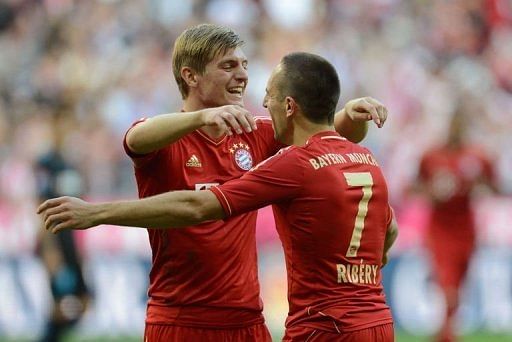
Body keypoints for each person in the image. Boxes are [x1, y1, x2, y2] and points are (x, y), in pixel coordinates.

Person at [39, 51, 398, 341]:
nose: (244, 77)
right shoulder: (365, 159)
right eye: (229, 66)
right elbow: (136, 139)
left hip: (272, 322)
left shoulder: (269, 144)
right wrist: (200, 119)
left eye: (244, 66)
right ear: (191, 75)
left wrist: (97, 214)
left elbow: (199, 205)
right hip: (181, 319)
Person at [415, 105, 499, 342]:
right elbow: (414, 187)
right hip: (439, 229)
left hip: (465, 228)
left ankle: (444, 333)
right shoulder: (431, 156)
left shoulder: (477, 157)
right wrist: (434, 191)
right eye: (453, 126)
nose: (456, 130)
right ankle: (448, 336)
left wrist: (480, 182)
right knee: (446, 284)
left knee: (458, 287)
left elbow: (495, 186)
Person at [34, 111, 89, 342]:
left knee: (84, 299)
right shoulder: (46, 164)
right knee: (60, 303)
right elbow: (40, 206)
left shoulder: (71, 164)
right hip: (54, 239)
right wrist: (49, 250)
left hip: (70, 241)